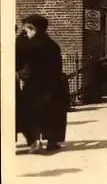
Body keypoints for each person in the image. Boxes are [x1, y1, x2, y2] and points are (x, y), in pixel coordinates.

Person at [17, 14, 69, 153]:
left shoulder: (27, 46)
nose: (25, 33)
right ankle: (51, 142)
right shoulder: (52, 45)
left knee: (32, 113)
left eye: (27, 30)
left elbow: (17, 61)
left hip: (35, 84)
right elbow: (57, 68)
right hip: (51, 85)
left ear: (34, 29)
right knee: (50, 114)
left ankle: (35, 142)